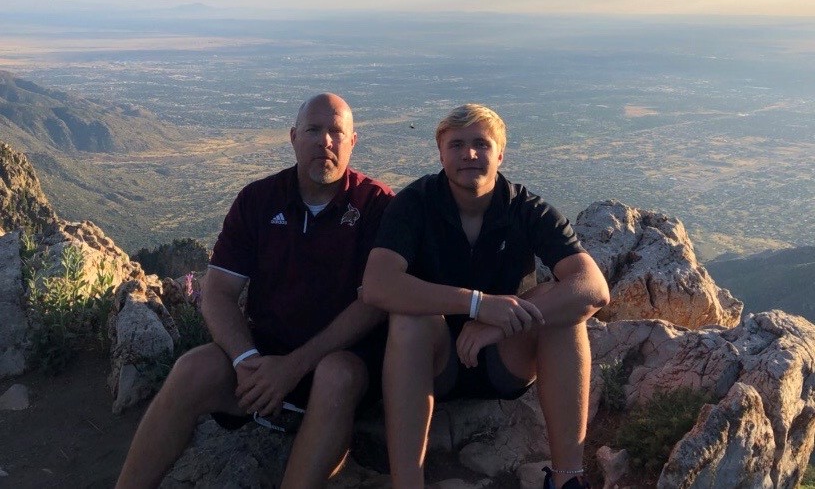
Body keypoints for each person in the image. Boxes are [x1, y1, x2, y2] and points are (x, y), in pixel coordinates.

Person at [116, 93, 394, 489]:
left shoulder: (376, 204)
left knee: (337, 376)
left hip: (340, 363)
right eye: (314, 130)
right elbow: (217, 293)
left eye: (336, 132)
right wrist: (248, 362)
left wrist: (294, 366)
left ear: (353, 142)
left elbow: (374, 302)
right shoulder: (259, 200)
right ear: (294, 137)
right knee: (193, 367)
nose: (324, 141)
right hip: (261, 362)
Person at [361, 103, 610, 489]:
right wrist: (477, 304)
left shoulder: (525, 208)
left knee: (564, 313)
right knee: (410, 316)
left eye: (481, 143)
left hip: (505, 360)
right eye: (457, 144)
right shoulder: (415, 204)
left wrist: (497, 326)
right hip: (434, 363)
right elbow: (378, 285)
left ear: (500, 153)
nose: (469, 154)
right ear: (441, 153)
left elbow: (592, 287)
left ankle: (567, 479)